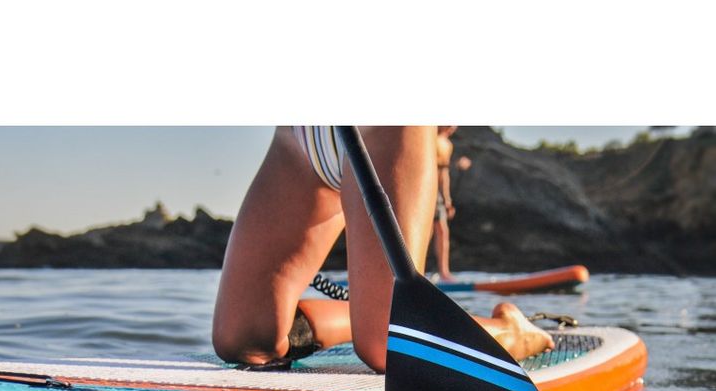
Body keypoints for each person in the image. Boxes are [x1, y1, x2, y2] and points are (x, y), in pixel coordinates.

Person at [212, 126, 553, 373]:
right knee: (241, 339)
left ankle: (512, 331)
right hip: (299, 138)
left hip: (384, 128)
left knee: (387, 347)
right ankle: (371, 311)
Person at [431, 125, 460, 282]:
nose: (452, 127)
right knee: (425, 232)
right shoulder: (428, 138)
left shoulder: (447, 145)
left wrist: (447, 200)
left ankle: (444, 272)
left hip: (437, 194)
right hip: (423, 190)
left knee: (442, 230)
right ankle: (416, 270)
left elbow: (444, 174)